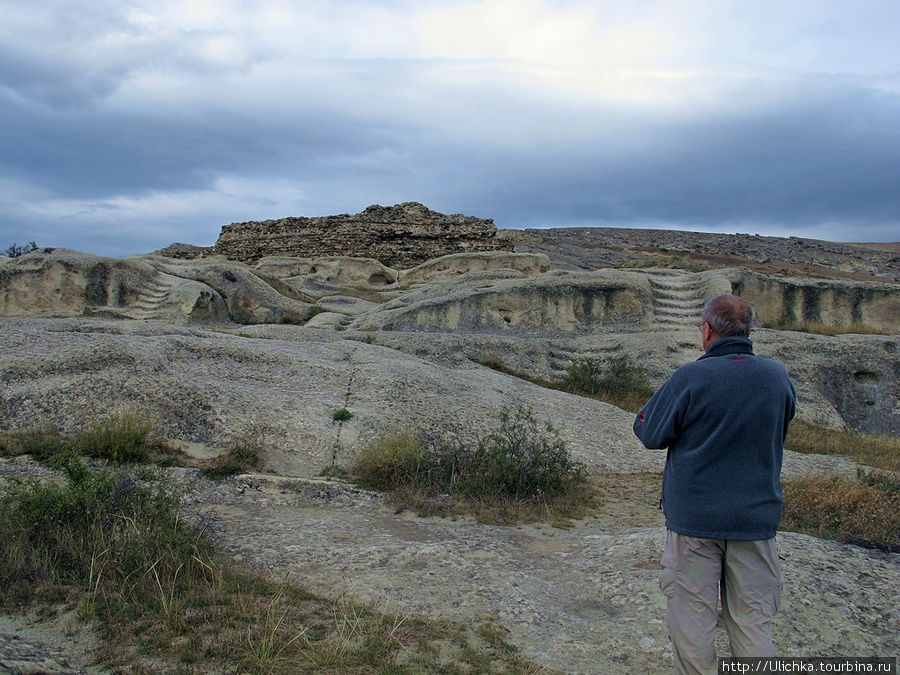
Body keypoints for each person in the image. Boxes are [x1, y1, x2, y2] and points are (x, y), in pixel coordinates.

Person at [633, 294, 796, 674]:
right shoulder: (777, 377)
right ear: (748, 331)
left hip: (695, 522)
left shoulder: (691, 377)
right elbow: (783, 425)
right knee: (753, 622)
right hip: (755, 521)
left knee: (692, 623)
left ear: (707, 331)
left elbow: (650, 432)